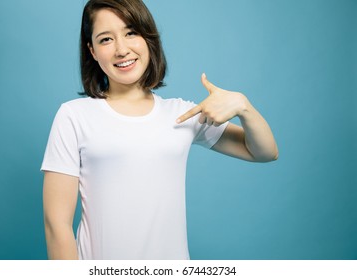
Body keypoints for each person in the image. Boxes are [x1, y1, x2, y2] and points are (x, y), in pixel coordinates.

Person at [41, 0, 278, 260]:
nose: (122, 49)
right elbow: (57, 225)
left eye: (131, 33)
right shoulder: (74, 116)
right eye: (106, 39)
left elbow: (264, 152)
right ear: (93, 51)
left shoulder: (182, 114)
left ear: (148, 39)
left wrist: (244, 107)